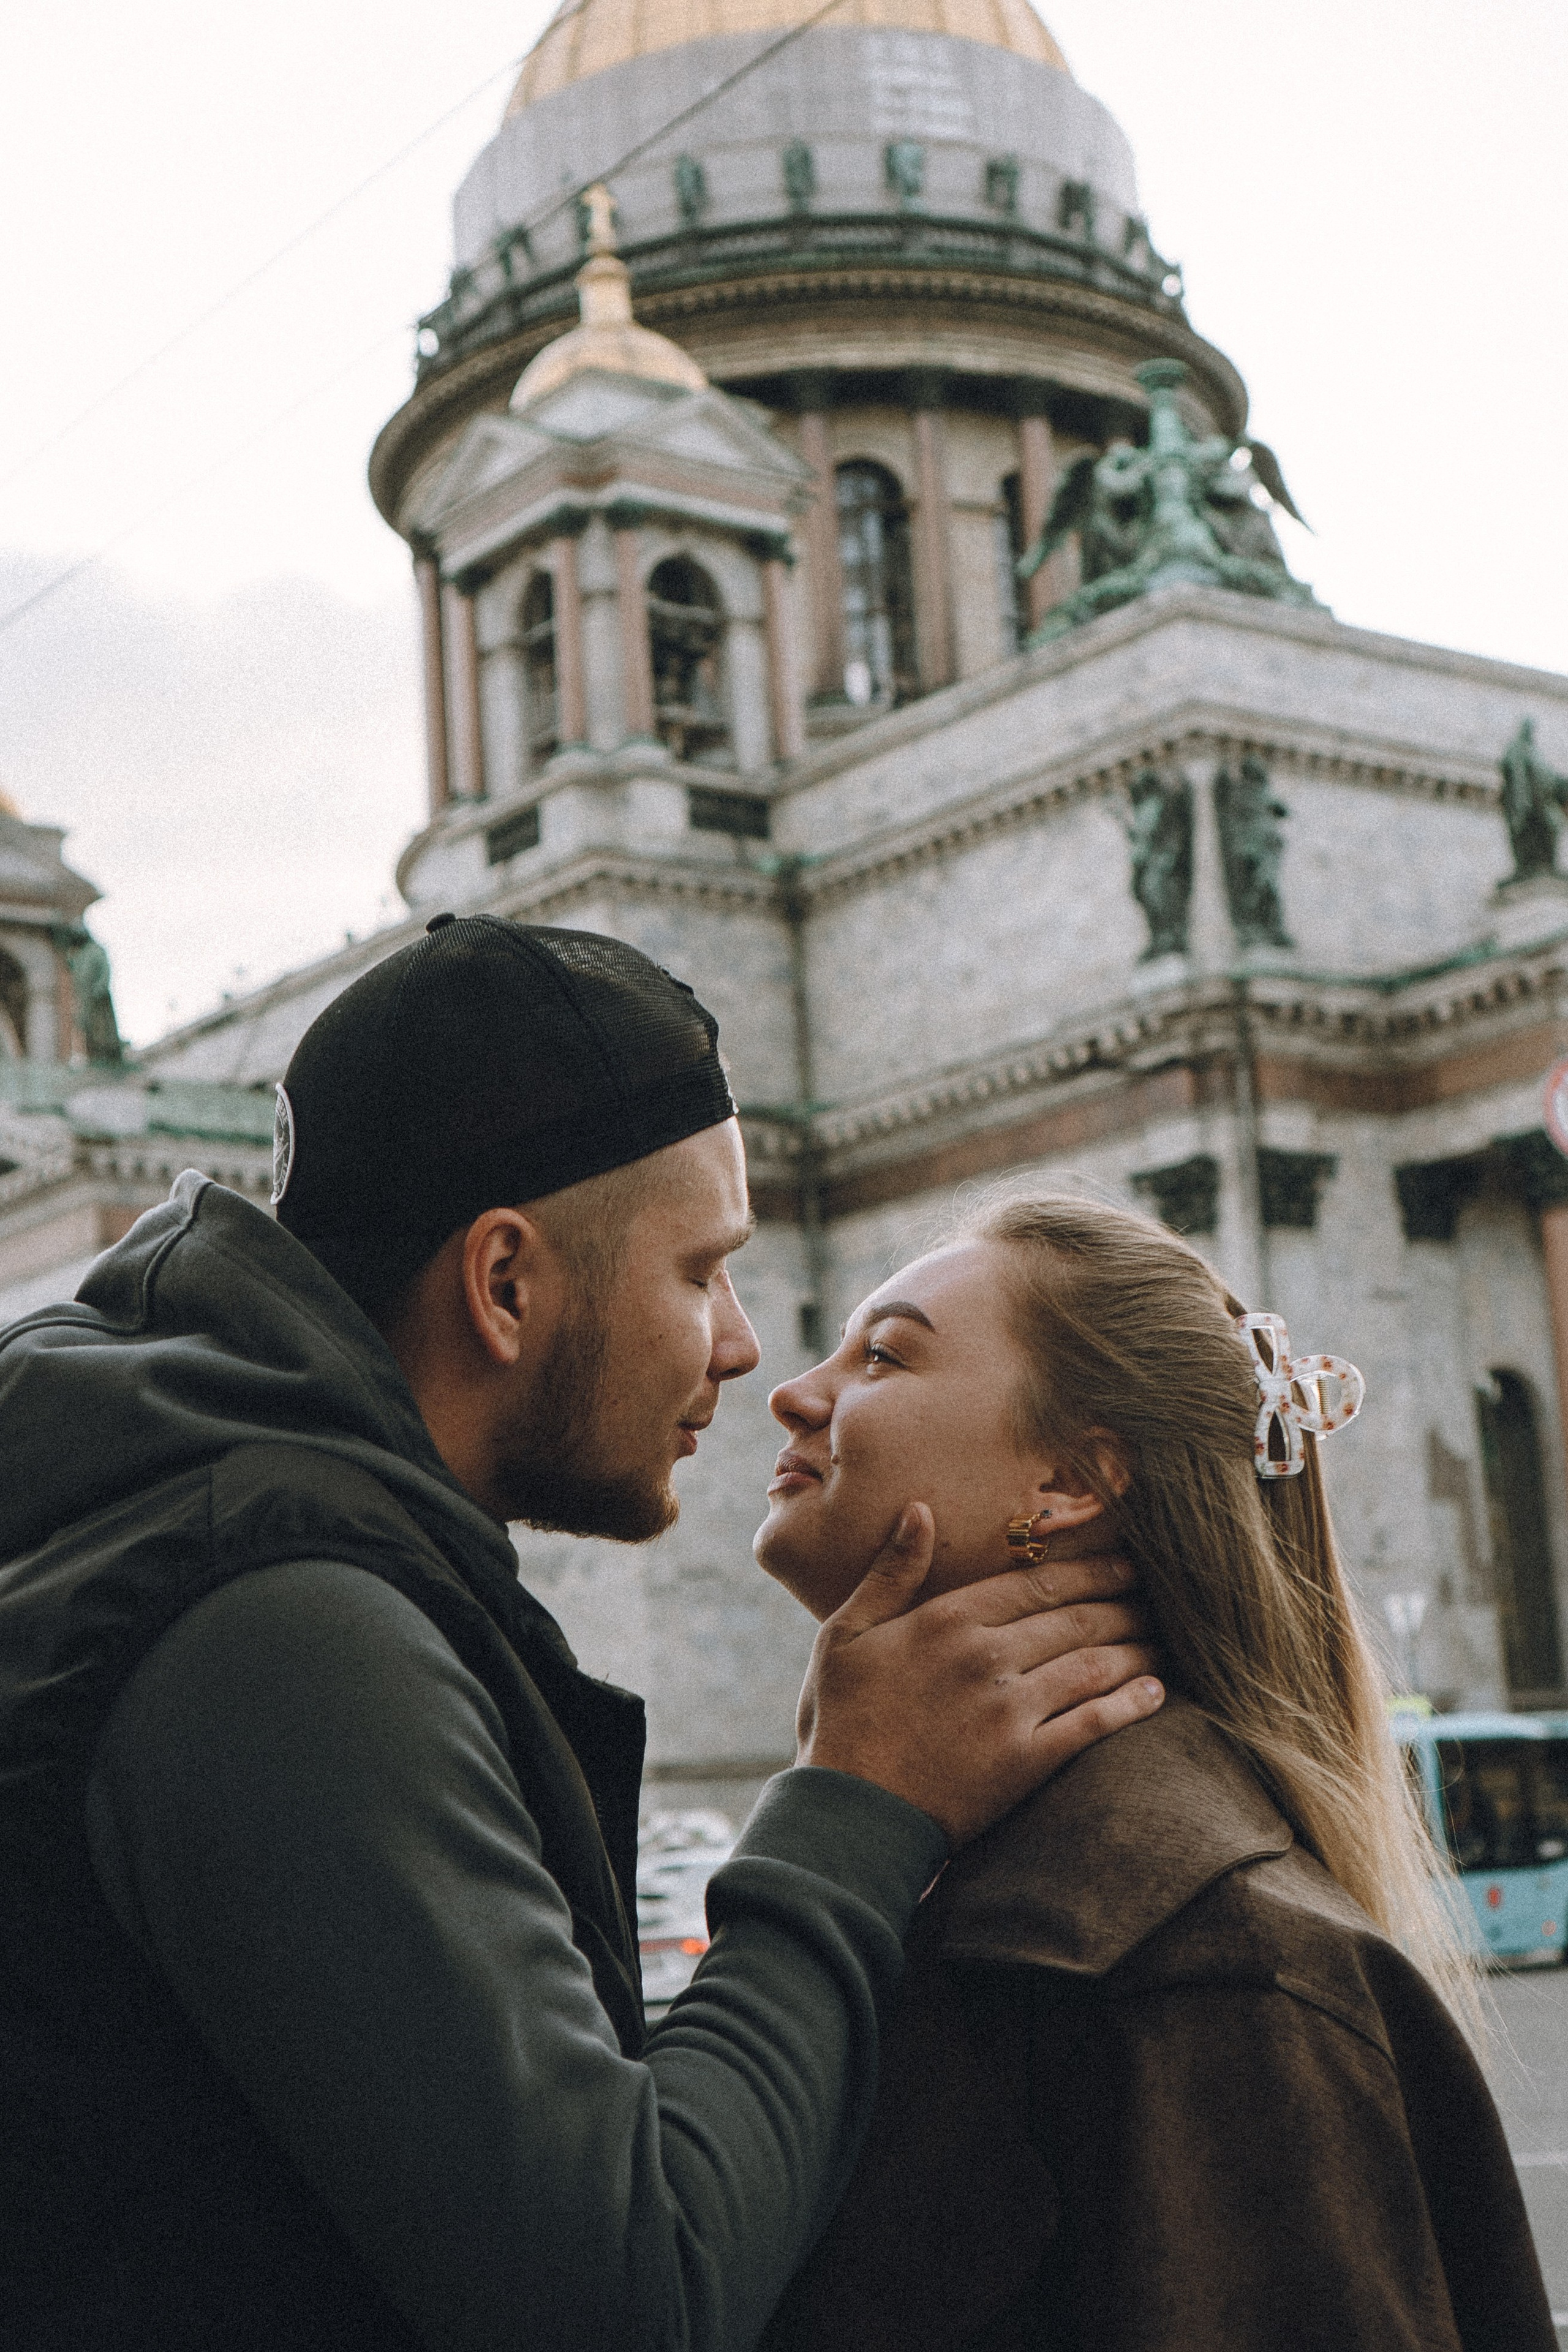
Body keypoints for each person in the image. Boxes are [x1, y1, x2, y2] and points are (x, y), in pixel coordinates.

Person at [0, 917, 1163, 2352]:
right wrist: (856, 1804)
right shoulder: (278, 1622)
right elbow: (631, 2293)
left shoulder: (208, 1508)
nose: (743, 1349)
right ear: (503, 1285)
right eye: (697, 1272)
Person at [754, 1193, 1554, 2352]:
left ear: (1074, 1483)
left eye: (882, 1354)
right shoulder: (982, 1874)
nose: (792, 1390)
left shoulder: (1210, 1965)